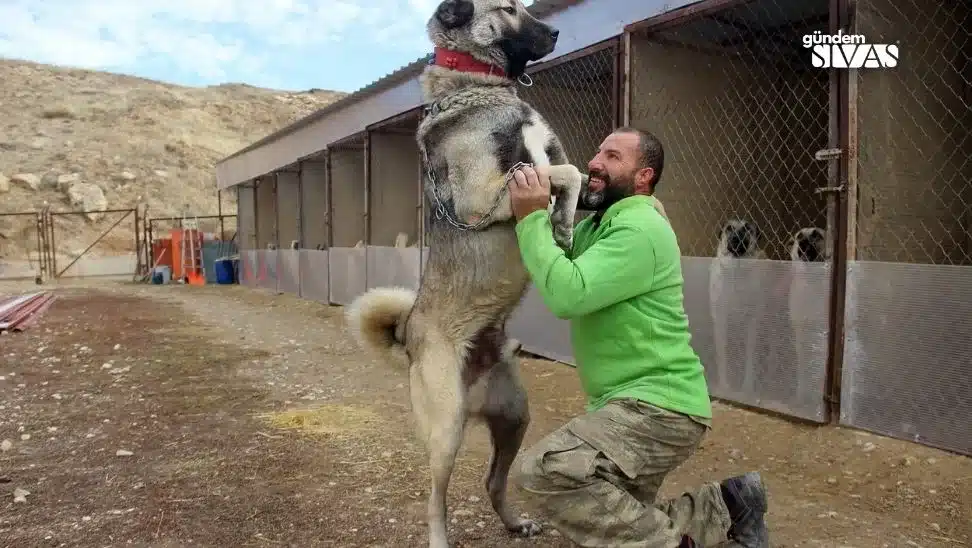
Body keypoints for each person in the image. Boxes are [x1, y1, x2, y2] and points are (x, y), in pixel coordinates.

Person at [505, 127, 770, 548]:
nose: (594, 161)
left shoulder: (639, 229)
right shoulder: (602, 225)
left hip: (656, 407)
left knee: (543, 473)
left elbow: (567, 293)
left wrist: (532, 219)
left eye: (612, 156)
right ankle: (727, 504)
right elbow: (555, 260)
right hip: (632, 405)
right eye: (597, 152)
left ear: (644, 176)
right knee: (613, 518)